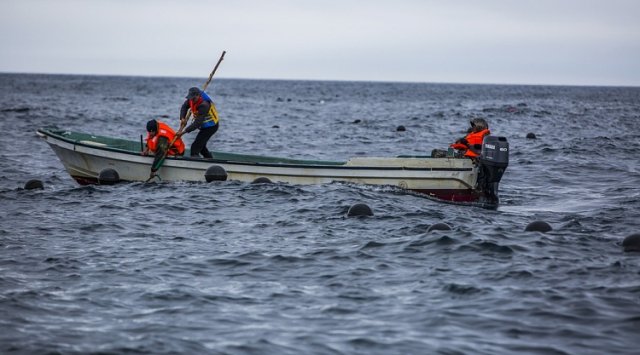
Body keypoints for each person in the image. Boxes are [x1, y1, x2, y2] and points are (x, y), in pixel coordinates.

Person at [177, 87, 220, 158]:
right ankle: (210, 160)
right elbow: (184, 107)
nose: (192, 100)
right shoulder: (191, 99)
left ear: (198, 95)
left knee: (195, 148)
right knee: (202, 147)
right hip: (204, 126)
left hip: (211, 127)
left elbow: (197, 123)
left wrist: (183, 132)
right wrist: (182, 118)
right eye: (190, 98)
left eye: (193, 99)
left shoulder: (204, 105)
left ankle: (195, 161)